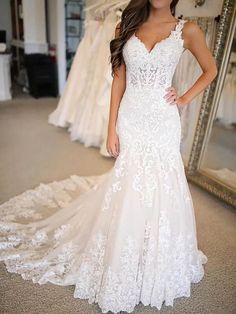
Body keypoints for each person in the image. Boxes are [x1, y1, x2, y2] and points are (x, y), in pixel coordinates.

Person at [0, 0, 217, 313]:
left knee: (162, 182)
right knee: (130, 182)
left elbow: (210, 70)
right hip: (131, 118)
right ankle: (123, 253)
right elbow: (119, 80)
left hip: (163, 120)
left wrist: (184, 97)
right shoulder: (125, 26)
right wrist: (111, 127)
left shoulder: (188, 29)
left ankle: (156, 256)